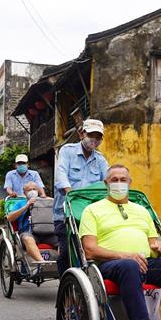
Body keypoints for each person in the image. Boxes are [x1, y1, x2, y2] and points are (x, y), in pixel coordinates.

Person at [79, 164, 161, 320]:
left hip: (145, 262)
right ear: (106, 183)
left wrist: (158, 249)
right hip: (110, 265)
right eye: (114, 180)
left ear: (130, 182)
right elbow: (90, 250)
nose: (119, 183)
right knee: (129, 266)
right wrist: (124, 256)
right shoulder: (92, 210)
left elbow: (152, 246)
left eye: (123, 180)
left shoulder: (142, 211)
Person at [53, 118, 110, 275]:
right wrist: (69, 191)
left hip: (91, 215)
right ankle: (65, 288)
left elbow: (108, 180)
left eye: (98, 137)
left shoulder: (100, 160)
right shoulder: (67, 151)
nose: (94, 139)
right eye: (91, 135)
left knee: (93, 251)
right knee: (66, 252)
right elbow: (61, 174)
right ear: (81, 134)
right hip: (66, 213)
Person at [6, 181, 45, 262]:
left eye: (34, 189)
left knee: (63, 240)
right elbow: (9, 218)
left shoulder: (44, 202)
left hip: (46, 232)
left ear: (38, 191)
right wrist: (27, 205)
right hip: (27, 232)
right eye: (29, 190)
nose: (32, 191)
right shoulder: (20, 203)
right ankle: (43, 263)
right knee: (28, 239)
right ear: (24, 192)